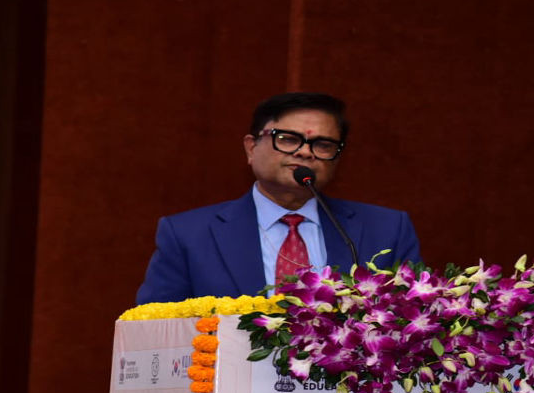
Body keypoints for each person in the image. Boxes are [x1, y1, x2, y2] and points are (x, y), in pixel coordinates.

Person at [136, 92, 421, 304]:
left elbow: (413, 320)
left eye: (323, 144)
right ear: (251, 148)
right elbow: (154, 333)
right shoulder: (188, 235)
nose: (304, 152)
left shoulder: (386, 230)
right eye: (287, 139)